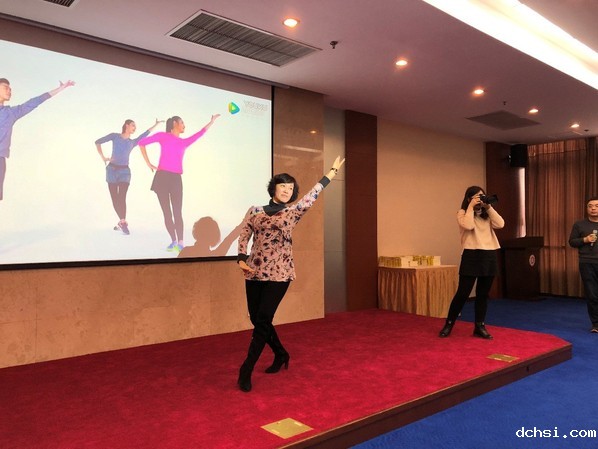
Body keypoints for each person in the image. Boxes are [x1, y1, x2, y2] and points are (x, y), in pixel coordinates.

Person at [236, 156, 345, 393]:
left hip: (280, 273)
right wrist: (241, 258)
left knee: (263, 318)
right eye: (283, 186)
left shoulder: (293, 211)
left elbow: (313, 194)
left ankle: (246, 368)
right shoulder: (255, 210)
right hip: (254, 271)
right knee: (257, 320)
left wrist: (331, 173)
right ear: (273, 188)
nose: (287, 190)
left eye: (290, 188)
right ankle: (281, 353)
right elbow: (244, 234)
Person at [138, 114, 220, 253]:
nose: (184, 125)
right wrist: (148, 163)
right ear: (175, 123)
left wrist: (211, 122)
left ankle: (180, 243)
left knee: (177, 211)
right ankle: (173, 241)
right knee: (167, 212)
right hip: (161, 178)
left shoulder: (184, 142)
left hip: (176, 179)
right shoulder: (163, 136)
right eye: (182, 122)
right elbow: (141, 143)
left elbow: (200, 133)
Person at [439, 186, 505, 339]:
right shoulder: (462, 213)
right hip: (471, 255)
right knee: (463, 293)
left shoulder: (487, 214)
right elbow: (468, 225)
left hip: (489, 254)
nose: (480, 199)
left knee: (483, 294)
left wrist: (488, 207)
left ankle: (479, 326)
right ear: (469, 199)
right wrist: (470, 207)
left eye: (482, 196)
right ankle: (449, 323)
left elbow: (501, 224)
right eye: (477, 197)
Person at [0, 78, 74, 201]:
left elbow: (35, 101)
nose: (9, 91)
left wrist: (60, 88)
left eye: (10, 89)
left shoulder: (11, 113)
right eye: (5, 88)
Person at [95, 119, 163, 234]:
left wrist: (156, 125)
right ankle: (122, 222)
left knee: (121, 197)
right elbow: (97, 142)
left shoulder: (133, 142)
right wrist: (103, 157)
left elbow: (145, 134)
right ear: (126, 125)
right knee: (114, 198)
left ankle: (122, 222)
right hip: (111, 171)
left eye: (135, 126)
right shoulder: (115, 136)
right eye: (133, 125)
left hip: (124, 172)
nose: (134, 128)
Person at [568, 197, 598, 333]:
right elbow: (572, 242)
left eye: (596, 206)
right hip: (587, 263)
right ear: (587, 208)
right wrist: (585, 239)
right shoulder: (579, 224)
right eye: (590, 206)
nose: (593, 208)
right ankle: (596, 324)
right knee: (592, 294)